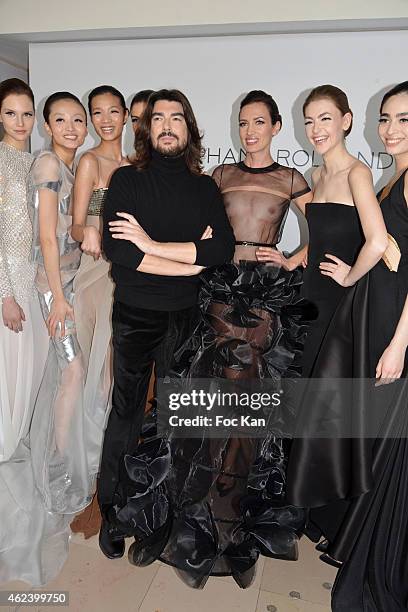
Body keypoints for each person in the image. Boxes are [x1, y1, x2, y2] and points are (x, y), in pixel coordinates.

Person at [125, 90, 314, 589]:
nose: (249, 131)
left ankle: (233, 514)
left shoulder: (293, 179)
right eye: (242, 123)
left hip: (262, 304)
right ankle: (195, 509)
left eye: (258, 123)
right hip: (217, 296)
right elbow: (201, 235)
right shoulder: (220, 176)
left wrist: (291, 260)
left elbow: (327, 230)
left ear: (275, 127)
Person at [97, 88, 235, 561]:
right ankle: (114, 510)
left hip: (186, 317)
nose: (168, 125)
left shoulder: (204, 189)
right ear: (147, 128)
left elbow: (220, 252)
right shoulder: (126, 180)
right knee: (126, 414)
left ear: (189, 128)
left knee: (175, 420)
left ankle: (162, 513)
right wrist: (188, 263)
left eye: (177, 117)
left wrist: (151, 246)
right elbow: (120, 254)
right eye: (159, 118)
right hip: (136, 313)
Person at [285, 85, 388, 561]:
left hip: (340, 307)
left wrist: (351, 276)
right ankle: (314, 509)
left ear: (346, 121)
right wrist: (295, 261)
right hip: (311, 299)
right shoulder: (315, 174)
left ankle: (340, 518)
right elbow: (324, 235)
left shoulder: (357, 173)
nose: (316, 130)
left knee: (335, 411)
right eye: (309, 121)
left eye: (325, 119)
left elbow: (376, 239)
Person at [331, 81, 408, 611]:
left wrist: (400, 344)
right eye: (386, 118)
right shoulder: (396, 175)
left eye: (404, 118)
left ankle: (385, 569)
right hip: (384, 317)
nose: (391, 129)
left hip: (399, 329)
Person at [69, 85, 129, 538]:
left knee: (112, 373)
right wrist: (86, 234)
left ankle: (101, 472)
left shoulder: (136, 168)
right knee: (85, 371)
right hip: (91, 276)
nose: (105, 119)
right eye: (97, 113)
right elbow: (75, 221)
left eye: (113, 111)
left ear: (126, 116)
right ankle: (80, 472)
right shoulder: (89, 162)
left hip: (127, 277)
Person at [28, 91, 91, 515]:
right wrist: (56, 298)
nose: (71, 128)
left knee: (66, 374)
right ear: (46, 127)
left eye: (77, 120)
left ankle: (58, 458)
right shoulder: (48, 164)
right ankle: (55, 467)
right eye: (60, 120)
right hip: (55, 285)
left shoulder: (74, 166)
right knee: (72, 370)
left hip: (74, 280)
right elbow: (47, 236)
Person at [0, 78, 46, 463]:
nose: (20, 121)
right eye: (11, 113)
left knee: (30, 368)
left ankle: (20, 440)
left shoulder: (37, 163)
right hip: (7, 278)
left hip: (34, 277)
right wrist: (6, 295)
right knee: (9, 369)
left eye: (27, 113)